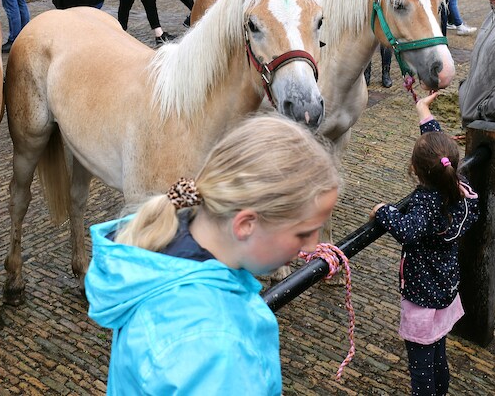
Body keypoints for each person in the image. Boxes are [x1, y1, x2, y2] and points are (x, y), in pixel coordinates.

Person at [86, 115, 340, 394]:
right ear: (245, 224)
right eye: (303, 233)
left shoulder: (164, 253)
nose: (310, 247)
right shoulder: (215, 347)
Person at [373, 93, 478, 396]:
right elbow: (438, 150)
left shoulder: (424, 203)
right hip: (446, 288)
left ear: (415, 170)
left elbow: (407, 230)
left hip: (422, 294)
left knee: (421, 367)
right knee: (438, 354)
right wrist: (423, 113)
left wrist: (383, 211)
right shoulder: (461, 186)